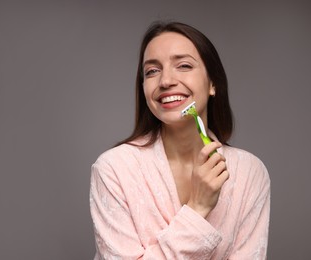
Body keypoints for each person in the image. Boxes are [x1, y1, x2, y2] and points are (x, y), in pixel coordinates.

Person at [89, 21, 270, 259]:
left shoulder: (249, 173)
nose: (165, 81)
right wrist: (198, 207)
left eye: (184, 66)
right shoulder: (114, 169)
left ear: (213, 83)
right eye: (152, 71)